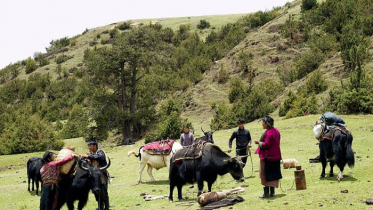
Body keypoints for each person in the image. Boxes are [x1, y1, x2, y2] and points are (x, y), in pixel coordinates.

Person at [254, 115, 282, 198]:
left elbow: (266, 144)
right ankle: (272, 193)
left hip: (268, 157)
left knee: (265, 174)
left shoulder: (269, 133)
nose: (262, 124)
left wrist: (258, 143)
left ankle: (266, 194)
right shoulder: (276, 131)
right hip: (276, 156)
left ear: (267, 124)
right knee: (273, 174)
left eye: (263, 122)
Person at [81, 140, 110, 210]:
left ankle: (106, 208)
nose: (89, 148)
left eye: (90, 146)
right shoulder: (90, 153)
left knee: (103, 192)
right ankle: (100, 207)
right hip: (93, 176)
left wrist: (88, 156)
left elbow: (100, 157)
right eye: (88, 146)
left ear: (94, 146)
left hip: (101, 174)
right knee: (95, 191)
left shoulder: (100, 152)